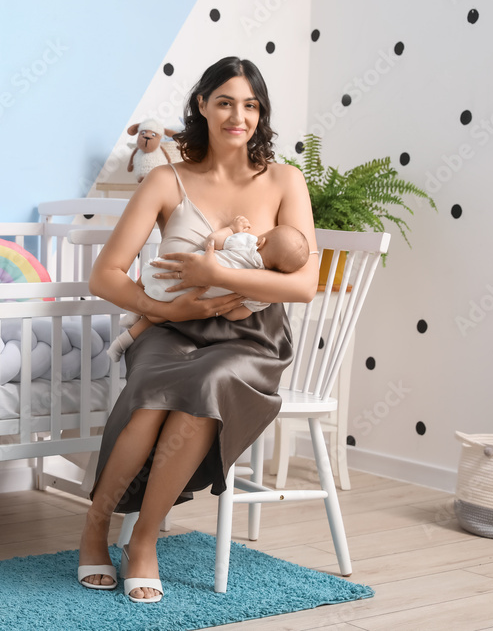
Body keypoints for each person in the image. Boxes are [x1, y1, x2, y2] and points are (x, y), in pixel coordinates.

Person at [76, 56, 319, 603]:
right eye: (226, 102)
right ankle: (95, 525)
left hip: (251, 337)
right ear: (202, 107)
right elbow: (105, 275)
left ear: (262, 114)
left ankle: (143, 540)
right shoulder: (168, 179)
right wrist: (162, 312)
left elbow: (304, 286)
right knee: (152, 391)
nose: (239, 115)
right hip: (174, 328)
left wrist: (216, 273)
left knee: (207, 386)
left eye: (251, 105)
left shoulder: (285, 180)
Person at [107, 215, 311, 362]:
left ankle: (133, 312)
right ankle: (121, 343)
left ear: (262, 241)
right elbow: (235, 316)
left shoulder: (247, 244)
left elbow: (212, 242)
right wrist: (229, 305)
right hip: (184, 299)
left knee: (146, 278)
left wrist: (232, 229)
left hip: (175, 272)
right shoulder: (263, 296)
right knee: (153, 319)